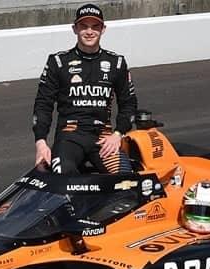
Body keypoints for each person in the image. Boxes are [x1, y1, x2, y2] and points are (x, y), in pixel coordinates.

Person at [32, 3, 138, 175]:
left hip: (104, 139)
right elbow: (43, 104)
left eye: (95, 26)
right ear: (75, 29)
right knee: (63, 178)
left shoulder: (117, 63)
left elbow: (129, 103)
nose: (89, 31)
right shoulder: (58, 62)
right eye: (84, 26)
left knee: (125, 181)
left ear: (103, 29)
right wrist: (41, 143)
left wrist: (118, 134)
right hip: (69, 138)